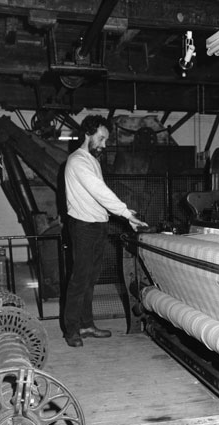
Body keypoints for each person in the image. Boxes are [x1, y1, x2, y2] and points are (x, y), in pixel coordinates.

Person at [63, 114, 148, 347]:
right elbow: (100, 191)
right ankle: (71, 330)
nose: (104, 144)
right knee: (79, 279)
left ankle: (87, 324)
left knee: (90, 279)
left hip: (97, 225)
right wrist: (126, 213)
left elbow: (99, 196)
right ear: (87, 134)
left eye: (105, 140)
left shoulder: (92, 160)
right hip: (83, 227)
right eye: (101, 138)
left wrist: (123, 214)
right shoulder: (78, 161)